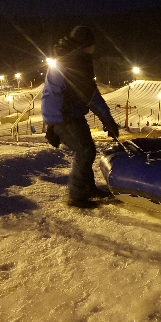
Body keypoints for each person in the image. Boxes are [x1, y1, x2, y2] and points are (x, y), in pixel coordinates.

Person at [41, 26, 120, 208]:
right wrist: (108, 121)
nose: (94, 48)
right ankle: (76, 196)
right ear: (85, 45)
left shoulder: (71, 57)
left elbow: (61, 91)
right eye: (92, 44)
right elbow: (91, 96)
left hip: (70, 111)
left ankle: (87, 188)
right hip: (64, 114)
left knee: (87, 149)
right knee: (85, 151)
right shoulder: (72, 62)